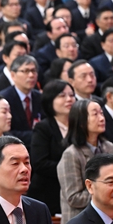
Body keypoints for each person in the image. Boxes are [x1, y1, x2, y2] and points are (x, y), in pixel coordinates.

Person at [58, 99, 113, 224]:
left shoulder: (109, 147)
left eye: (102, 113)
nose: (102, 118)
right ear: (81, 122)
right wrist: (105, 192)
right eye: (95, 114)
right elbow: (74, 198)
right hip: (80, 223)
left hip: (107, 219)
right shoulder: (71, 154)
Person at [29, 80, 75, 215]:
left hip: (74, 190)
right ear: (50, 101)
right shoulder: (43, 128)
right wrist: (71, 170)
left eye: (71, 95)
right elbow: (39, 163)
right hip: (47, 193)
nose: (69, 99)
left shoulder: (80, 127)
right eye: (62, 95)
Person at [0, 55, 42, 145]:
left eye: (33, 71)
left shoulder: (40, 97)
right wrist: (37, 136)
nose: (31, 75)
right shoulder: (3, 99)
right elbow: (5, 132)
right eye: (26, 71)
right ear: (13, 75)